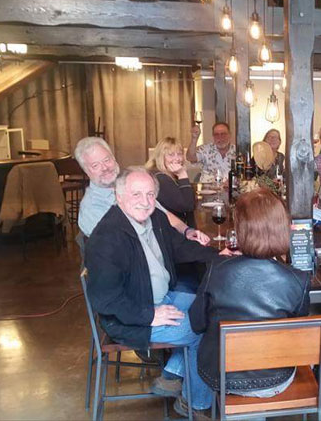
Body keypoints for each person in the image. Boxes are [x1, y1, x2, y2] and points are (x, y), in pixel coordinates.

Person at [84, 167, 227, 416]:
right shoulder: (106, 238)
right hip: (131, 318)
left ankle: (173, 374)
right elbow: (106, 300)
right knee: (206, 330)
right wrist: (149, 315)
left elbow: (182, 247)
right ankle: (194, 405)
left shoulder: (156, 219)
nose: (146, 201)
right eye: (136, 194)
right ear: (119, 197)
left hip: (161, 298)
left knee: (212, 307)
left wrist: (219, 256)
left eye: (150, 194)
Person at [189, 188, 310, 397]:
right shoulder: (298, 279)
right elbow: (297, 327)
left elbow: (197, 323)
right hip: (276, 378)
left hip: (221, 376)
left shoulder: (217, 270)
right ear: (283, 229)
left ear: (241, 229)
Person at [74, 137, 208, 244]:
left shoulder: (129, 183)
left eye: (106, 160)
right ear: (86, 171)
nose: (105, 168)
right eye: (95, 165)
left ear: (114, 159)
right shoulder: (92, 208)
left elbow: (162, 212)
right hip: (138, 268)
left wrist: (186, 230)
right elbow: (121, 248)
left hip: (162, 250)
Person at [146, 137, 196, 228]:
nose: (177, 159)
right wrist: (182, 175)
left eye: (179, 154)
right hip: (170, 231)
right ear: (161, 157)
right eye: (171, 155)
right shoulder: (160, 178)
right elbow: (187, 205)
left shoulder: (168, 174)